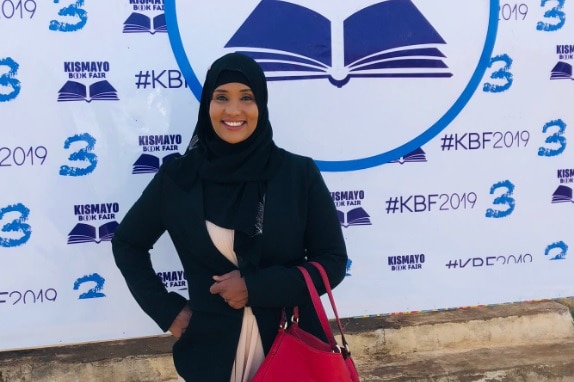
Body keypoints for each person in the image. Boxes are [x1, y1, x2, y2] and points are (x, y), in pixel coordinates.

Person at [112, 52, 348, 381]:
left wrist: (257, 288)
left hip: (293, 352)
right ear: (207, 105)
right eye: (221, 97)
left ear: (261, 105)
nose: (233, 110)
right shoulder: (178, 179)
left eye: (246, 98)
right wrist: (168, 312)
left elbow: (332, 262)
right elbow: (127, 243)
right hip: (210, 358)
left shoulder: (297, 174)